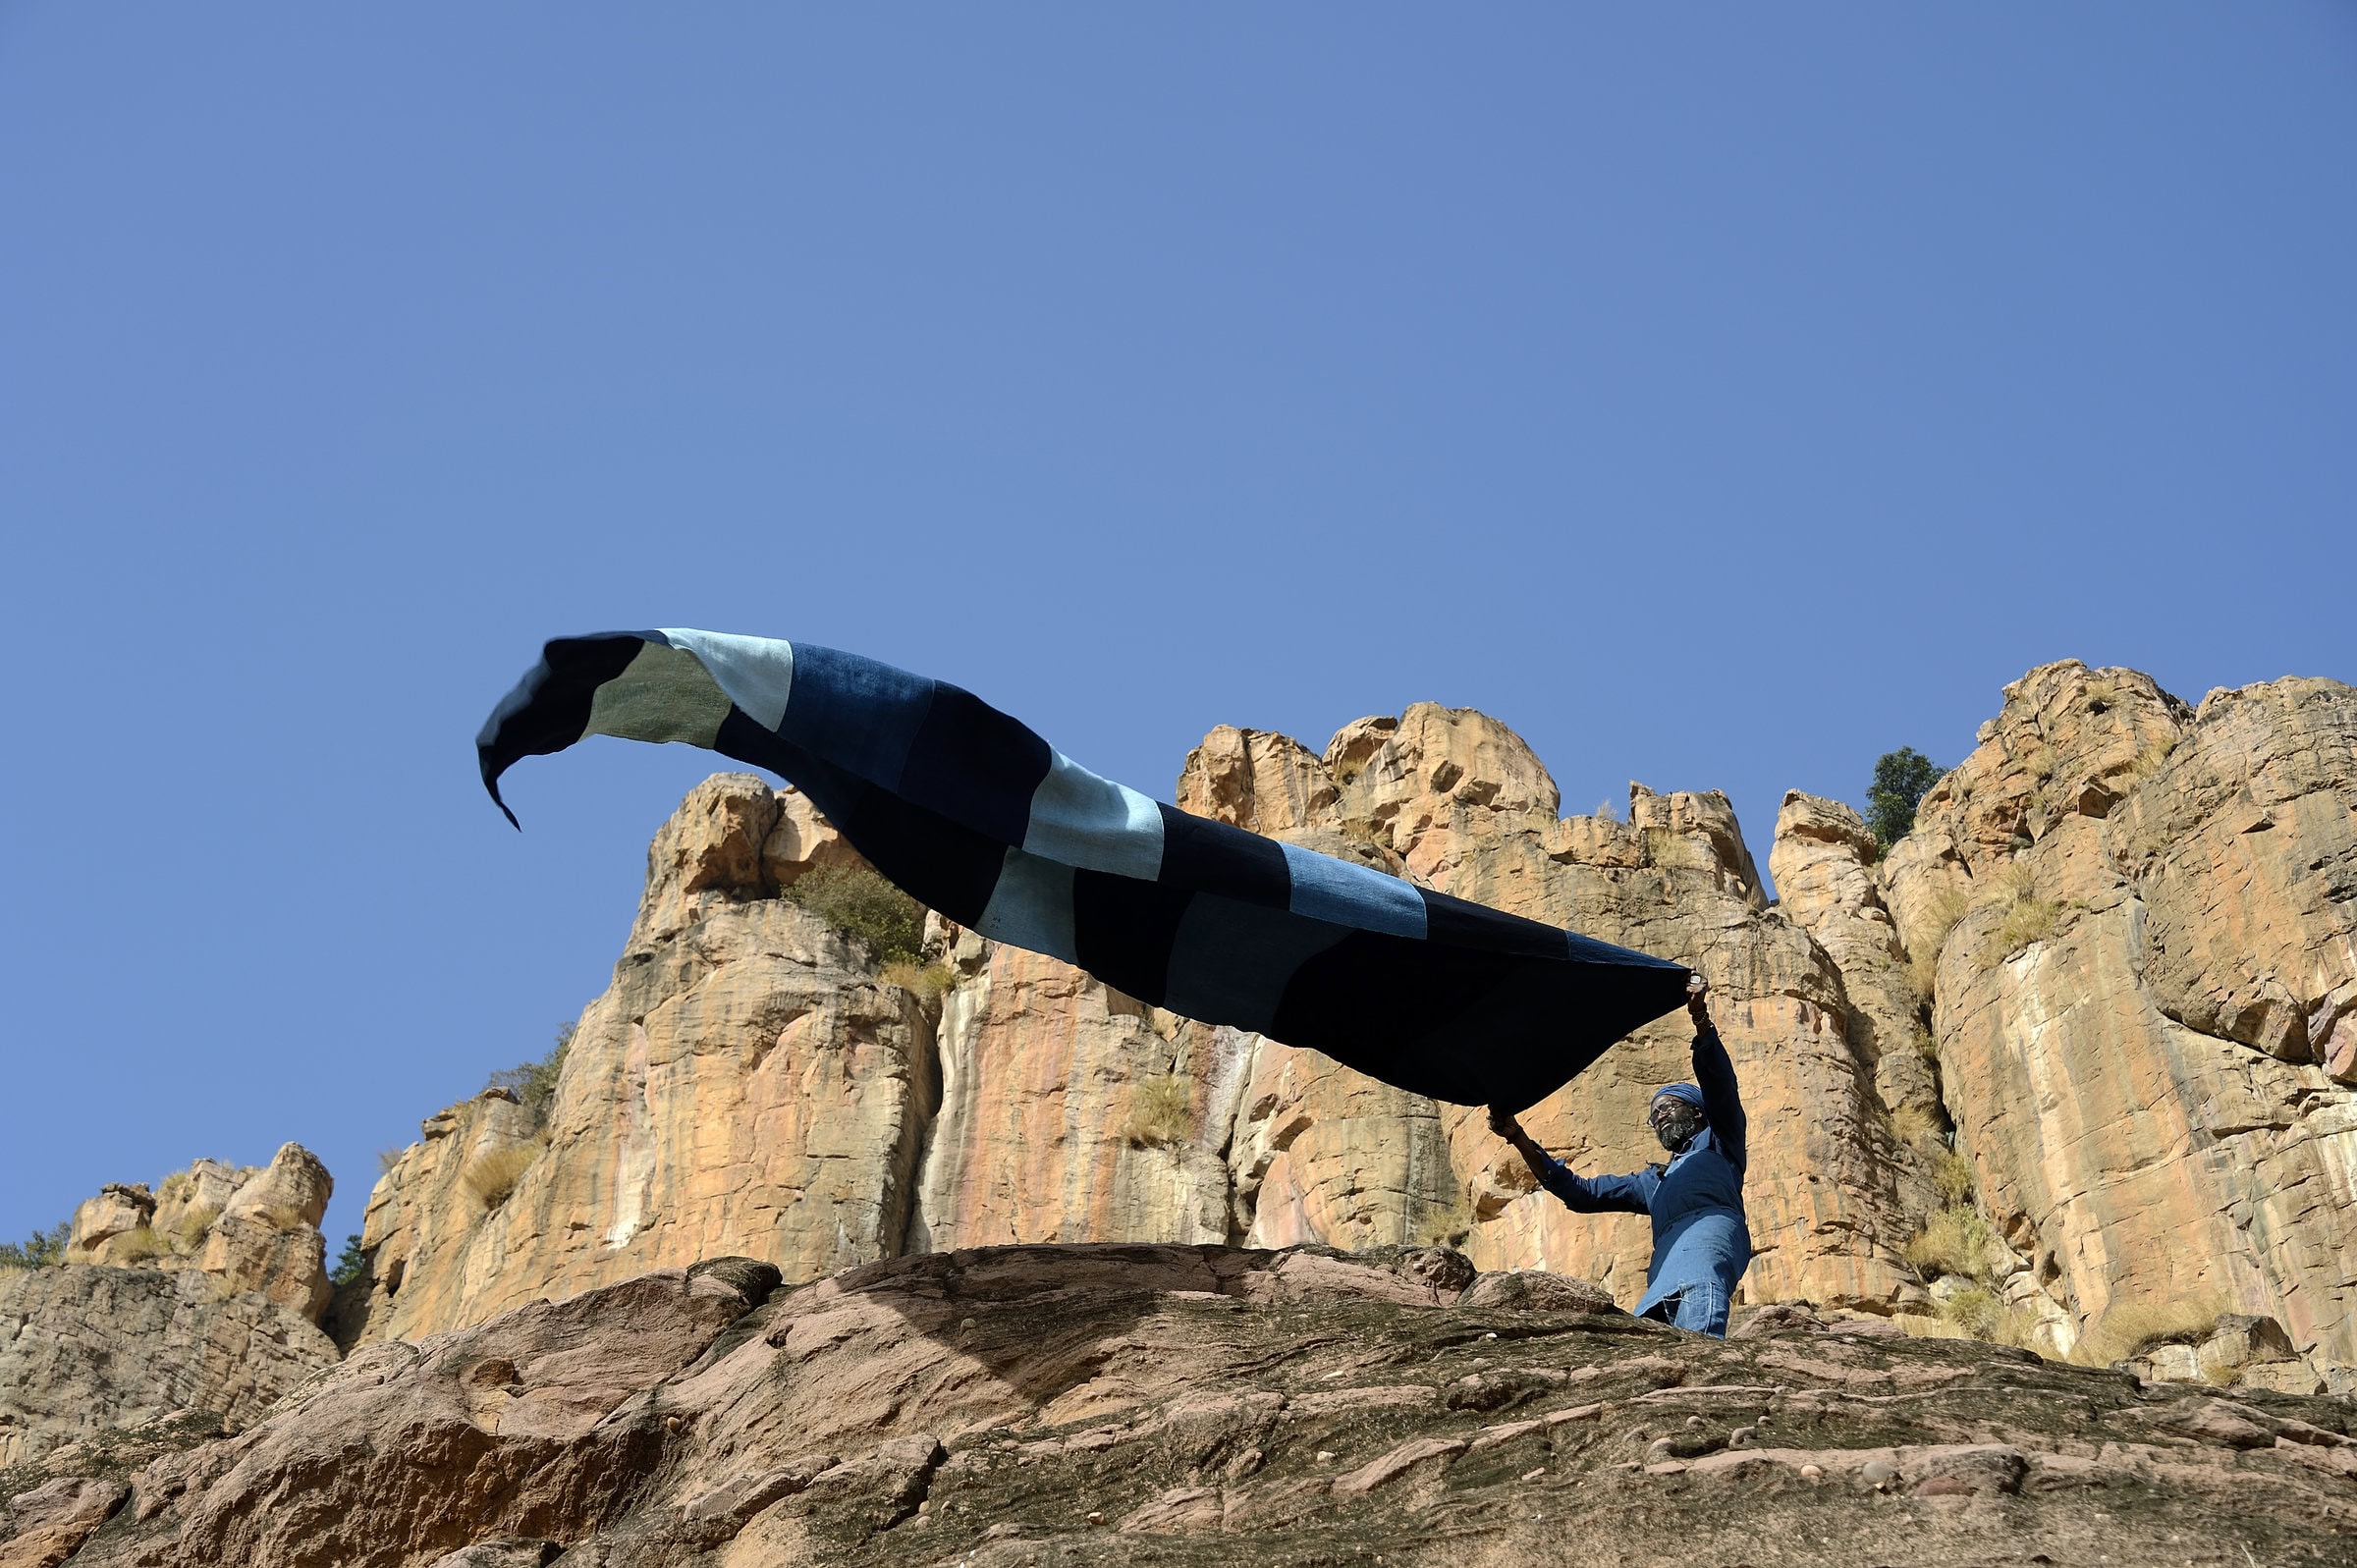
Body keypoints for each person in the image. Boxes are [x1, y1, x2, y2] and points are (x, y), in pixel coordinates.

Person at [1487, 974, 1750, 1336]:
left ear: (1698, 1112)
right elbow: (1581, 1192)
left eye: (1668, 1108)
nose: (1659, 1118)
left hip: (1711, 1233)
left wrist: (1700, 1015)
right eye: (1653, 1115)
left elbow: (1720, 1085)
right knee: (1651, 1329)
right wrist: (1517, 1137)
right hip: (1665, 1258)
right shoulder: (1655, 1182)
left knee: (1699, 1300)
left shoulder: (1722, 1140)